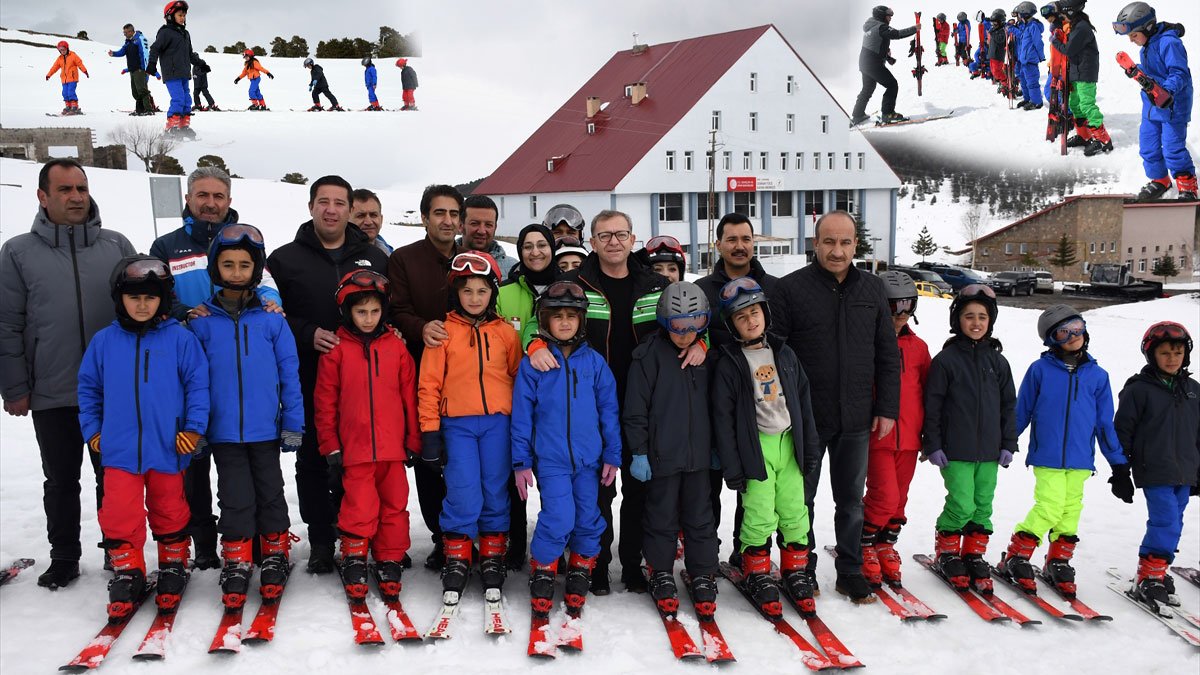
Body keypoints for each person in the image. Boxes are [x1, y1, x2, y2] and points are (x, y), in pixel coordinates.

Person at [526, 210, 703, 595]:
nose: (613, 242)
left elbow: (693, 317)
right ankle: (598, 564)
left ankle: (634, 563)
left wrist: (701, 341)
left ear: (633, 238)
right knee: (599, 490)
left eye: (620, 234)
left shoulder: (656, 285)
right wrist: (534, 342)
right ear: (591, 242)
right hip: (590, 404)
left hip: (647, 402)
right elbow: (534, 319)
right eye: (604, 235)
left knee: (642, 489)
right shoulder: (573, 282)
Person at [0, 159, 135, 589]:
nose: (76, 196)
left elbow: (142, 316)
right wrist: (15, 386)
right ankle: (64, 556)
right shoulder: (18, 252)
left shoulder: (116, 245)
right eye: (65, 190)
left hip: (111, 393)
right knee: (60, 480)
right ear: (42, 196)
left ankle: (118, 550)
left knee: (112, 477)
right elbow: (8, 323)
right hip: (51, 390)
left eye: (81, 187)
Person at [151, 167, 282, 568]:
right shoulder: (167, 246)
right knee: (193, 465)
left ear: (228, 199)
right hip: (185, 372)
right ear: (188, 199)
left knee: (240, 472)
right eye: (202, 195)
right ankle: (205, 543)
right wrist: (187, 315)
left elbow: (267, 289)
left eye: (218, 196)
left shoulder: (246, 240)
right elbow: (154, 295)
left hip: (236, 379)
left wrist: (269, 304)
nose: (210, 203)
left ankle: (258, 541)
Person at [770, 210, 899, 603]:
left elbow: (887, 353)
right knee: (799, 501)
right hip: (805, 419)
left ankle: (850, 570)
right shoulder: (790, 289)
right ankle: (800, 567)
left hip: (856, 417)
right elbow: (774, 354)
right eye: (829, 241)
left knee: (851, 502)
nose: (837, 250)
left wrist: (888, 408)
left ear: (856, 245)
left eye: (845, 242)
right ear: (815, 243)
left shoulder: (873, 289)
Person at [265, 175, 390, 573]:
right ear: (311, 207)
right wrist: (307, 332)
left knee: (361, 461)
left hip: (364, 384)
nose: (331, 209)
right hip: (309, 375)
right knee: (315, 459)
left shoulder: (374, 256)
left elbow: (389, 312)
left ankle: (365, 534)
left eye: (339, 202)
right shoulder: (285, 260)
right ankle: (321, 537)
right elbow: (273, 317)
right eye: (323, 201)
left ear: (350, 209)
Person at [78, 255, 209, 619]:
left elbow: (198, 385)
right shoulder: (104, 342)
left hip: (168, 444)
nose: (141, 304)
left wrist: (193, 427)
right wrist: (93, 429)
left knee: (169, 507)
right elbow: (88, 389)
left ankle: (172, 565)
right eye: (133, 297)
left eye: (149, 297)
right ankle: (128, 569)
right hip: (119, 448)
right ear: (119, 298)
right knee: (119, 511)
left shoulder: (181, 339)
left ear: (162, 299)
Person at [189, 224, 303, 608]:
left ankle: (273, 552)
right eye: (228, 264)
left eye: (244, 265)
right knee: (234, 496)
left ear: (256, 270)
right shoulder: (201, 323)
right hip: (223, 432)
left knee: (271, 493)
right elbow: (194, 381)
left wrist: (293, 423)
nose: (236, 273)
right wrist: (197, 428)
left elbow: (290, 374)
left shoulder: (273, 320)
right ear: (214, 268)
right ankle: (237, 557)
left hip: (266, 429)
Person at [994, 305, 1125, 596]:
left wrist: (1118, 464)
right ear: (1052, 338)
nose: (1073, 335)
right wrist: (1006, 441)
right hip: (1048, 456)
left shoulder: (1098, 376)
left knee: (1070, 513)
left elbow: (1104, 423)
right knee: (1049, 507)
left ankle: (1058, 561)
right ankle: (1016, 556)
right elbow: (1021, 410)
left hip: (1080, 460)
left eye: (1077, 327)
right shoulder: (1039, 370)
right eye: (1064, 331)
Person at [511, 281, 621, 620]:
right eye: (556, 316)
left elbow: (609, 411)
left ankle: (580, 569)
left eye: (571, 316)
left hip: (589, 462)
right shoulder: (534, 365)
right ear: (544, 320)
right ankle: (544, 568)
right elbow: (522, 414)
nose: (564, 323)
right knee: (559, 517)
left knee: (589, 520)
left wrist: (612, 455)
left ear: (582, 320)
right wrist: (520, 461)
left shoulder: (595, 363)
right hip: (552, 462)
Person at [713, 277, 820, 615]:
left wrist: (811, 449)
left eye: (755, 312)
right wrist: (732, 466)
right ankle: (757, 571)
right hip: (755, 448)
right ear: (732, 324)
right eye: (741, 317)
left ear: (766, 313)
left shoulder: (784, 353)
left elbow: (804, 404)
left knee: (794, 510)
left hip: (789, 444)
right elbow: (724, 421)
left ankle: (795, 569)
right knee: (758, 512)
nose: (751, 320)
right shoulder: (730, 364)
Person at [418, 251, 521, 602]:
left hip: (498, 424)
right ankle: (458, 555)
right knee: (462, 490)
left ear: (493, 292)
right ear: (455, 294)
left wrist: (522, 428)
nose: (474, 298)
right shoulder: (442, 333)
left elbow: (517, 378)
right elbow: (429, 384)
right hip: (457, 425)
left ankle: (492, 553)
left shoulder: (507, 333)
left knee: (495, 489)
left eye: (481, 290)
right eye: (467, 291)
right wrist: (430, 432)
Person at [315, 270, 419, 602]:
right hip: (355, 448)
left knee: (394, 505)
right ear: (348, 311)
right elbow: (325, 401)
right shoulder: (336, 349)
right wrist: (329, 443)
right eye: (362, 312)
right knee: (359, 506)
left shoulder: (396, 348)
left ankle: (389, 556)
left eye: (375, 311)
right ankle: (355, 554)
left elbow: (409, 397)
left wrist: (413, 440)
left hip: (392, 448)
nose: (369, 318)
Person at [624, 282, 719, 615]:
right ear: (665, 322)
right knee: (661, 518)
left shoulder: (707, 355)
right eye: (679, 325)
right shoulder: (648, 357)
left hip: (699, 458)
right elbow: (635, 411)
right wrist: (638, 452)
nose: (687, 333)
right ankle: (661, 570)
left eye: (697, 324)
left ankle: (703, 572)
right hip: (662, 458)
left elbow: (719, 405)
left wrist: (717, 447)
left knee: (700, 519)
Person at [387, 184, 464, 569]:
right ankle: (440, 536)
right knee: (431, 457)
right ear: (424, 217)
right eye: (439, 213)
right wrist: (420, 328)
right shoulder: (404, 259)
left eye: (453, 214)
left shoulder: (471, 259)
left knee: (467, 460)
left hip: (468, 379)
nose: (447, 220)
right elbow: (395, 310)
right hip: (423, 375)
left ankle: (469, 534)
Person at [922, 284, 1017, 593]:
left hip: (989, 451)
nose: (976, 323)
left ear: (991, 321)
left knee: (982, 505)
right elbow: (932, 405)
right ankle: (948, 551)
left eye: (982, 317)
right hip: (955, 450)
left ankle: (973, 554)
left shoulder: (998, 362)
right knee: (961, 503)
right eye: (969, 317)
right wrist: (932, 444)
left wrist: (1007, 443)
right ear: (957, 320)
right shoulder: (946, 361)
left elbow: (1008, 406)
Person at [696, 213, 779, 554]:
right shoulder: (702, 290)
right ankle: (707, 553)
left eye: (746, 239)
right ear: (718, 245)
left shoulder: (773, 287)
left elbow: (782, 342)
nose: (739, 246)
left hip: (761, 404)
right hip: (711, 402)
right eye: (731, 239)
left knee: (758, 487)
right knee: (709, 486)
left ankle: (749, 551)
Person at [1113, 322, 1199, 609]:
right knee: (1166, 520)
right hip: (1154, 469)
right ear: (1152, 355)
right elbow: (1122, 430)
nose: (1173, 358)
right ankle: (1150, 576)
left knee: (1175, 522)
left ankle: (1156, 570)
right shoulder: (1138, 390)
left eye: (1177, 352)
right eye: (1165, 353)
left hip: (1185, 471)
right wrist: (1120, 470)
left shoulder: (1193, 390)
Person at [860, 272, 930, 589]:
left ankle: (884, 544)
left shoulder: (919, 348)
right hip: (879, 437)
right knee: (884, 497)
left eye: (907, 306)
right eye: (893, 306)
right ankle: (862, 543)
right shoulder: (868, 345)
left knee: (899, 499)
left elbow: (929, 393)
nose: (901, 314)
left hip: (911, 438)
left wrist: (932, 434)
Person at [1113, 2, 1196, 201]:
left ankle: (1188, 187)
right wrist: (1138, 72)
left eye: (1133, 35)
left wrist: (1166, 90)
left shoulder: (1169, 43)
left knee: (1172, 148)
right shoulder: (1147, 45)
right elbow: (1155, 72)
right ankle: (1160, 181)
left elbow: (1179, 73)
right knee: (1148, 146)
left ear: (1147, 28)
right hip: (1152, 106)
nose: (1131, 40)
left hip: (1173, 106)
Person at [1052, 0, 1112, 156]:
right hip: (1076, 71)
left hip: (1085, 73)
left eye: (1063, 14)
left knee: (1087, 105)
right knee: (1075, 104)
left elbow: (1069, 49)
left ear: (1071, 12)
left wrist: (1055, 42)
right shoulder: (1075, 26)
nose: (1062, 17)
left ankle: (1103, 140)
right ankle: (1084, 136)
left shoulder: (1082, 28)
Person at [850, 5, 919, 125]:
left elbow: (875, 44)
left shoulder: (871, 27)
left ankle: (857, 115)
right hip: (873, 63)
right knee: (892, 85)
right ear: (882, 16)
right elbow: (897, 34)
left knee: (867, 89)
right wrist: (915, 28)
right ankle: (888, 114)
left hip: (865, 62)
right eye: (889, 16)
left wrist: (886, 55)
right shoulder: (881, 27)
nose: (890, 18)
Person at [146, 1, 202, 136]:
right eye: (180, 15)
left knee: (187, 100)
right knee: (178, 99)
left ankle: (183, 127)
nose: (183, 18)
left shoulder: (185, 34)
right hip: (171, 73)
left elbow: (189, 53)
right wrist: (152, 64)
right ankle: (171, 128)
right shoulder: (165, 32)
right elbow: (155, 48)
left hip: (183, 72)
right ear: (170, 16)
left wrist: (201, 63)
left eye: (184, 15)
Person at [458, 195, 517, 279]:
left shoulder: (514, 270)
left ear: (495, 227)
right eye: (475, 223)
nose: (482, 231)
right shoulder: (444, 265)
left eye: (488, 225)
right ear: (460, 225)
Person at [109, 23, 155, 115]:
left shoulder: (139, 40)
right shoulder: (128, 42)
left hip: (139, 69)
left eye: (125, 32)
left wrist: (144, 68)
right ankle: (139, 110)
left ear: (131, 31)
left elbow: (144, 54)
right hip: (132, 70)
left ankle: (149, 110)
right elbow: (122, 52)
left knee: (142, 90)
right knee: (135, 92)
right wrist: (113, 53)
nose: (124, 34)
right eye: (124, 33)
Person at [1014, 2, 1046, 110]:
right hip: (1024, 60)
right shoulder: (1027, 26)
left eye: (1019, 14)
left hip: (1030, 60)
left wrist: (1041, 56)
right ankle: (1027, 98)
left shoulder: (1033, 26)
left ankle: (1037, 102)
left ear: (1024, 14)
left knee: (1032, 81)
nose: (1018, 17)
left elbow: (1038, 43)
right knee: (1023, 80)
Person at [45, 40, 88, 115]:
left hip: (72, 78)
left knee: (71, 92)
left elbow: (80, 64)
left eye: (63, 49)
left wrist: (85, 71)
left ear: (67, 48)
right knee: (64, 93)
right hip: (64, 79)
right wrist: (49, 74)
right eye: (60, 50)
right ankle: (68, 106)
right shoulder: (60, 59)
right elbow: (54, 67)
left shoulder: (73, 55)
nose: (62, 51)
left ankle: (74, 107)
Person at [350, 188, 392, 254]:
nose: (368, 222)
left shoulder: (392, 258)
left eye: (373, 215)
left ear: (381, 219)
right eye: (361, 216)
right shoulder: (334, 257)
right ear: (347, 220)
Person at [988, 9, 1016, 99]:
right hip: (992, 53)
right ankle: (1003, 82)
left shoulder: (1002, 30)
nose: (993, 25)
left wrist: (992, 32)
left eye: (995, 23)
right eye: (992, 24)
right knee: (993, 71)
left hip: (998, 54)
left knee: (997, 71)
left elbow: (1000, 40)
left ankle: (1005, 82)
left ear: (1001, 22)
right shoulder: (996, 30)